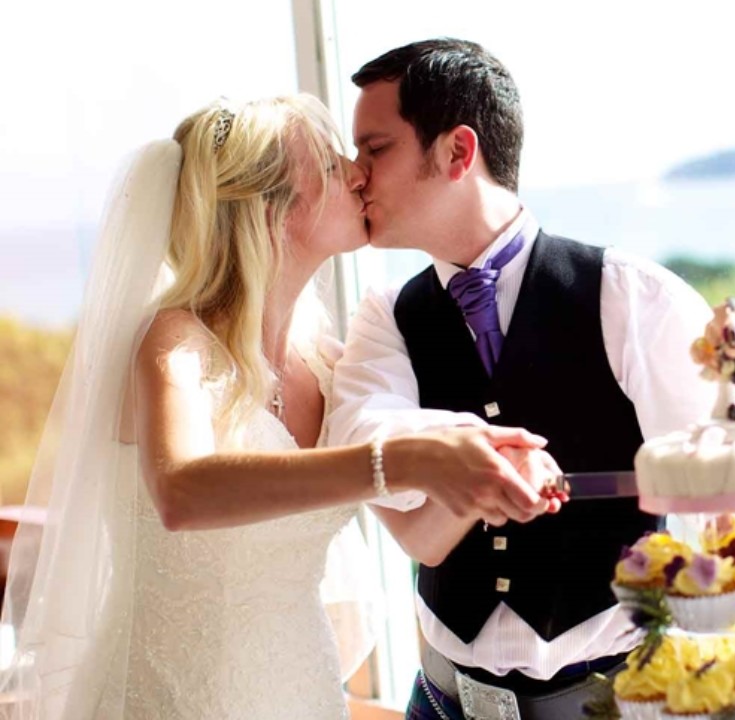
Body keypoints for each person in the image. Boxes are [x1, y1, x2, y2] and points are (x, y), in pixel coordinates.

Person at [0, 94, 559, 720]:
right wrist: (402, 460)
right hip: (168, 697)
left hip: (299, 689)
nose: (356, 172)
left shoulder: (330, 362)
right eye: (328, 164)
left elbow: (421, 540)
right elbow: (182, 493)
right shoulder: (174, 340)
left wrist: (489, 465)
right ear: (268, 210)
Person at [327, 38, 735, 719]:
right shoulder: (387, 317)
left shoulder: (631, 296)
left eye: (376, 149)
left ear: (457, 152)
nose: (356, 174)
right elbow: (365, 447)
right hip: (439, 703)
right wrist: (480, 449)